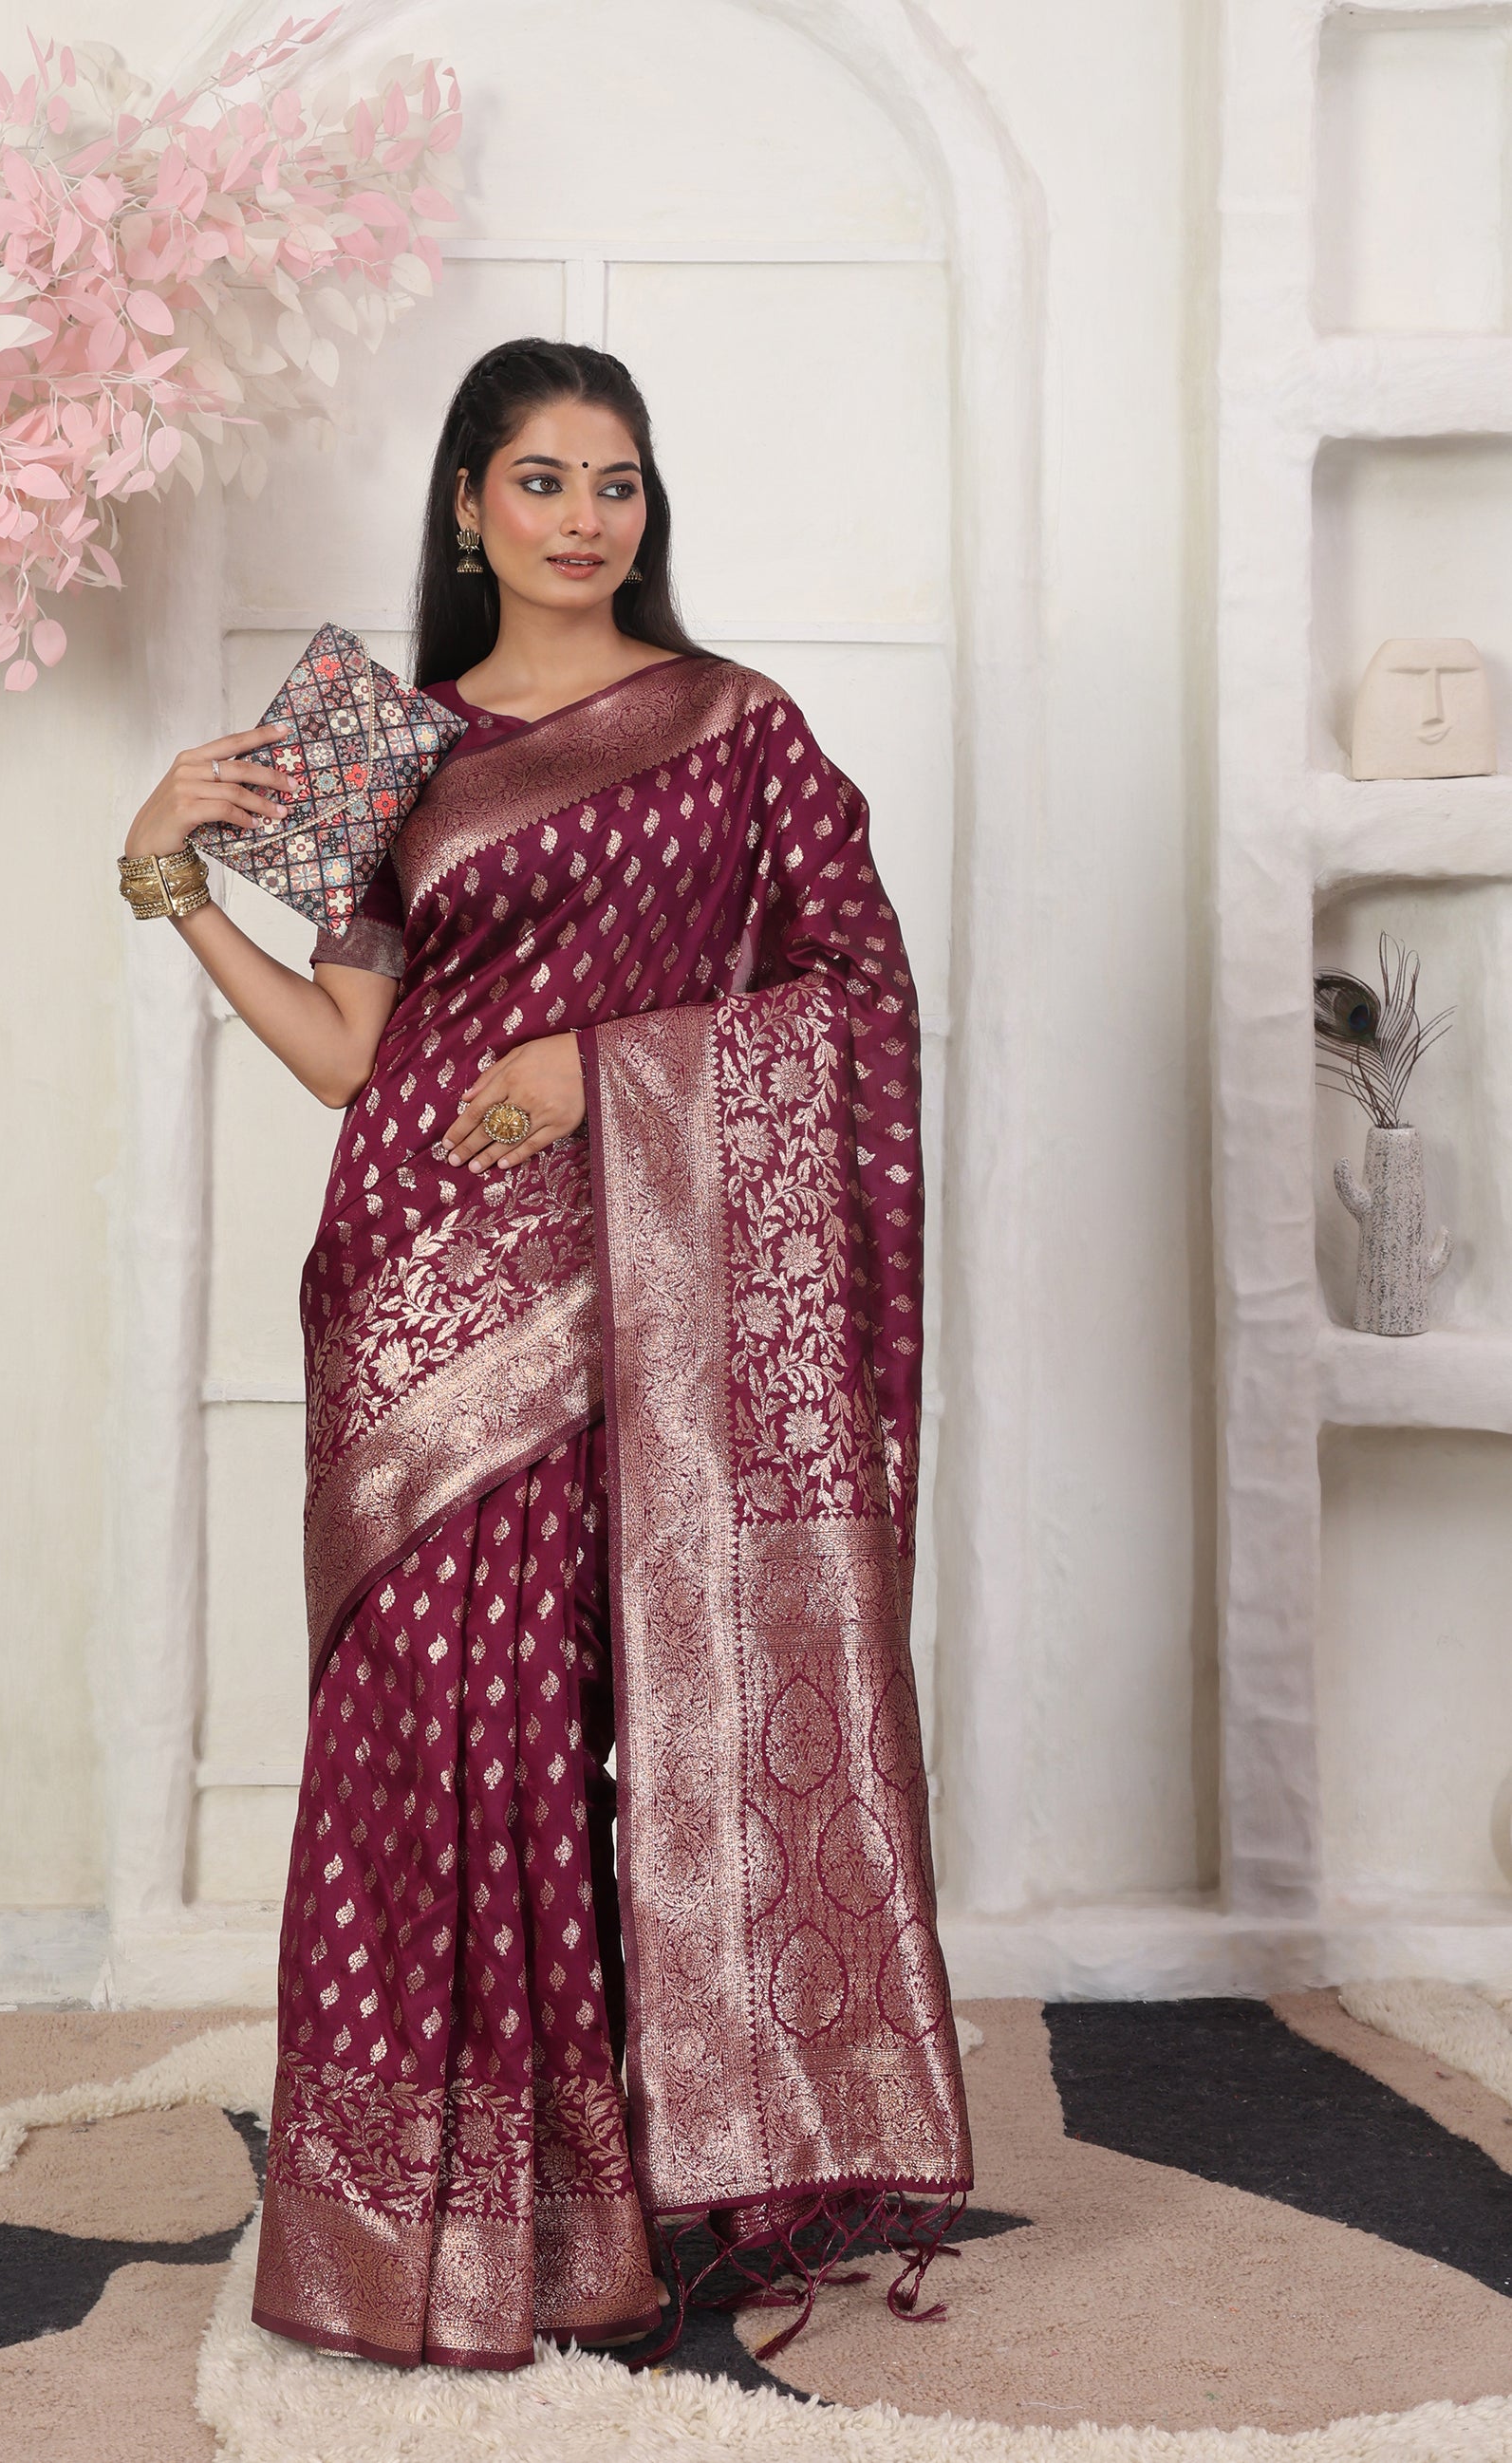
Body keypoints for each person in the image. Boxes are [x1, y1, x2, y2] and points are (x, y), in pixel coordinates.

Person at [121, 338, 972, 2373]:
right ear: (465, 504)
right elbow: (347, 1054)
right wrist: (169, 877)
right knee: (423, 1735)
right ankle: (398, 2223)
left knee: (587, 1719)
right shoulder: (382, 744)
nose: (585, 516)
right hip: (409, 1293)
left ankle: (584, 2214)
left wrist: (610, 1061)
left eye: (617, 482)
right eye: (542, 479)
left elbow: (852, 997)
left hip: (636, 1298)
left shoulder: (736, 728)